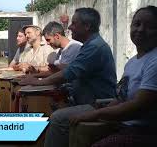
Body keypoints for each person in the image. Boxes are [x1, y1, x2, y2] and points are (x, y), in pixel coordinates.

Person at [70, 6, 157, 147]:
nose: (140, 29)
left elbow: (138, 107)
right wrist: (100, 110)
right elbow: (121, 97)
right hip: (132, 126)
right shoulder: (132, 62)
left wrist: (96, 115)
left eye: (150, 26)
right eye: (137, 24)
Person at [19, 8, 117, 147]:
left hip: (97, 104)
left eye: (74, 23)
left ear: (87, 26)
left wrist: (37, 82)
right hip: (86, 100)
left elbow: (69, 72)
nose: (70, 27)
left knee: (57, 118)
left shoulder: (95, 47)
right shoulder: (89, 45)